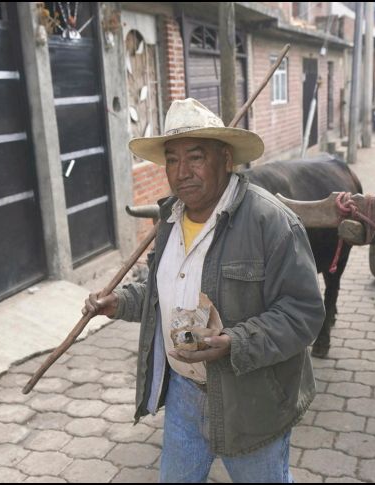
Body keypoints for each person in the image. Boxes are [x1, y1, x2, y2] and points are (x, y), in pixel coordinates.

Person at [83, 98, 325, 483]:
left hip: (251, 401)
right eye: (172, 160)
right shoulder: (170, 219)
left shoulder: (271, 222)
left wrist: (234, 342)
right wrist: (120, 302)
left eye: (195, 157)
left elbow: (303, 314)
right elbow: (161, 290)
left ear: (225, 159)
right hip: (184, 393)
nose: (182, 173)